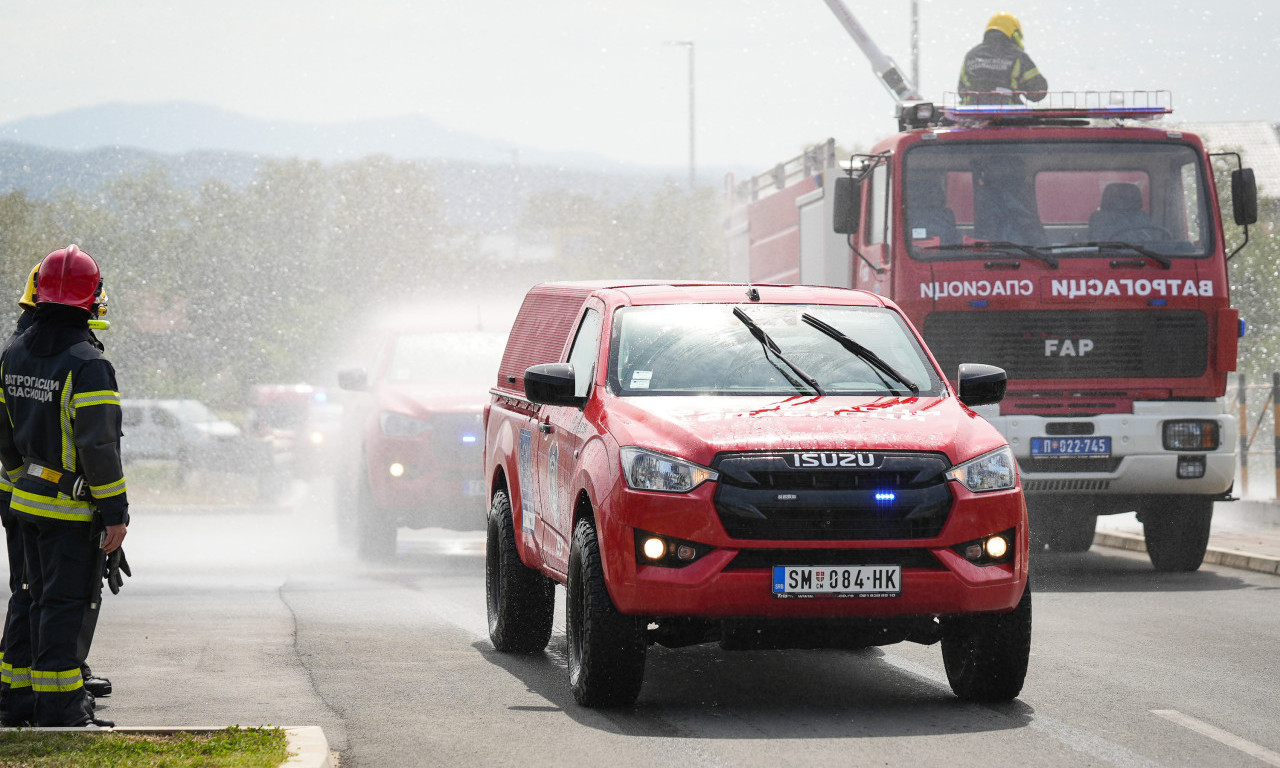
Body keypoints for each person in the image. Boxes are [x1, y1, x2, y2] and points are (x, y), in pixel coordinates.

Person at [0, 245, 128, 728]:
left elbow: (3, 430)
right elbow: (98, 446)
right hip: (70, 512)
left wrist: (19, 480)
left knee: (28, 596)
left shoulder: (14, 351)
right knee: (64, 605)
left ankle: (16, 699)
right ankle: (60, 711)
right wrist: (114, 510)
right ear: (92, 299)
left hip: (24, 503)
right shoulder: (88, 364)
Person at [957, 12, 1048, 105]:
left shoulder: (971, 54)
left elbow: (961, 90)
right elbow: (1038, 91)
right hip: (1007, 114)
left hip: (971, 112)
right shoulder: (1017, 55)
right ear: (1015, 34)